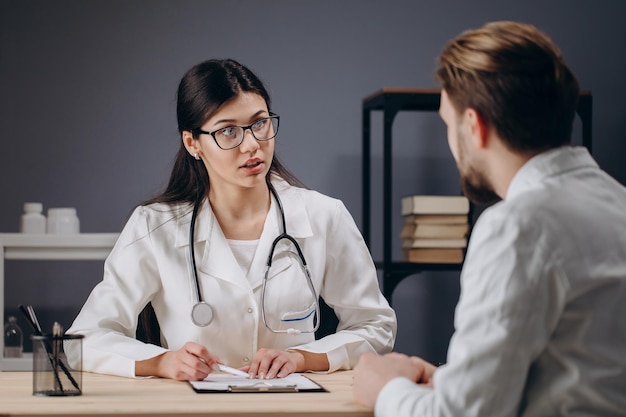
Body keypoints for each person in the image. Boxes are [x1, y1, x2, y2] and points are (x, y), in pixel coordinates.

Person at [353, 20, 626, 416]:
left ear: (474, 126)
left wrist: (385, 390)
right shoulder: (616, 202)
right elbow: (579, 372)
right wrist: (453, 380)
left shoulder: (518, 226)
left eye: (448, 124)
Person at [67, 58, 396, 381]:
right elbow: (83, 340)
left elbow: (376, 327)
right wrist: (162, 363)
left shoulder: (323, 216)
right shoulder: (156, 226)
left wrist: (300, 358)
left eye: (259, 123)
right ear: (192, 143)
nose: (252, 144)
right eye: (228, 131)